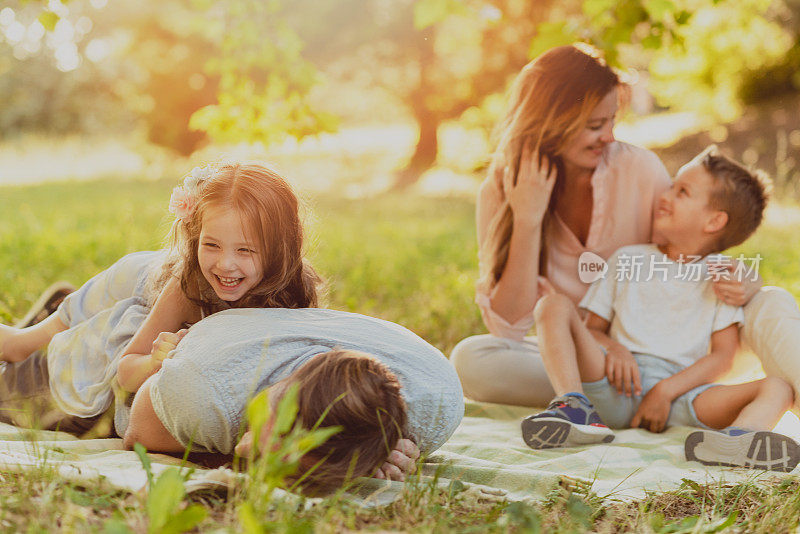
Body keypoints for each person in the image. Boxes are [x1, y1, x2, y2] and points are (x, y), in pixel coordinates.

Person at [450, 43, 797, 410]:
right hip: (590, 361)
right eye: (595, 125)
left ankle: (642, 397)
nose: (610, 137)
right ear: (549, 122)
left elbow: (693, 251)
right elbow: (508, 327)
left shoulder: (638, 170)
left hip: (684, 356)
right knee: (471, 359)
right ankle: (589, 401)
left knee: (773, 301)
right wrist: (528, 218)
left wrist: (747, 282)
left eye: (612, 121)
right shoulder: (501, 191)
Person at [522, 147, 800, 472]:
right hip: (614, 383)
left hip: (684, 397)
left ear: (714, 221)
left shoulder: (722, 278)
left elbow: (723, 357)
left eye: (682, 191)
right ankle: (575, 407)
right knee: (552, 305)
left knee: (779, 386)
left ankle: (739, 439)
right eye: (671, 185)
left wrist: (666, 391)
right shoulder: (628, 259)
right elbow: (591, 328)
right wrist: (615, 349)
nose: (665, 195)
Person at [0, 162, 321, 434]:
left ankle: (57, 309)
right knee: (23, 380)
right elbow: (126, 370)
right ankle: (30, 333)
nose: (225, 264)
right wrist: (157, 361)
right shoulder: (192, 284)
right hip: (129, 296)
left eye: (245, 250)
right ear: (195, 237)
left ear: (281, 249)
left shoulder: (296, 297)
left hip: (142, 284)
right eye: (211, 245)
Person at [121, 307, 465, 494]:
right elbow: (137, 435)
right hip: (149, 321)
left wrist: (365, 455)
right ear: (285, 382)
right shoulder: (203, 394)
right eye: (274, 423)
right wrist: (236, 458)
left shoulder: (438, 403)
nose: (245, 448)